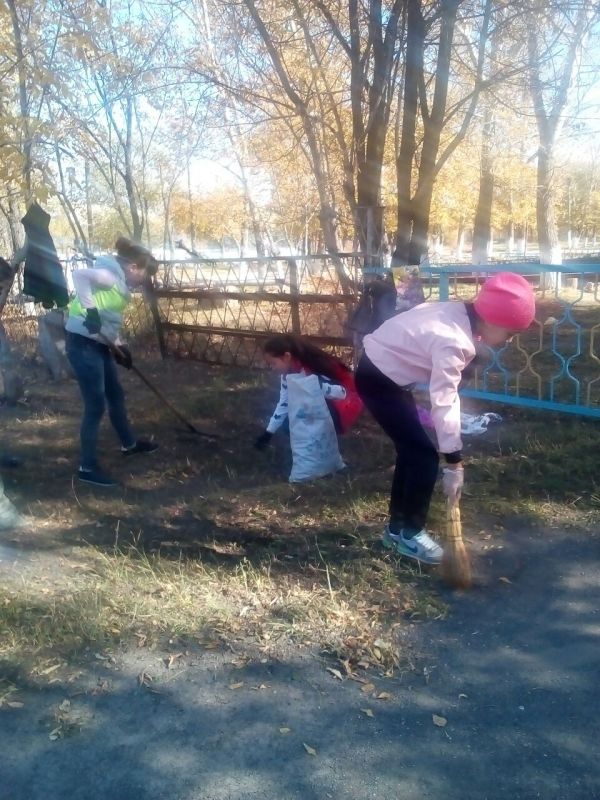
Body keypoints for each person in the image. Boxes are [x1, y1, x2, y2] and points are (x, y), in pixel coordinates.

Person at [355, 272, 536, 565]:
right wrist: (454, 462)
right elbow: (444, 401)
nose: (509, 341)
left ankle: (396, 531)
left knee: (412, 452)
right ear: (491, 321)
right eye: (510, 334)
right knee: (424, 457)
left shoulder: (456, 312)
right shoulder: (455, 341)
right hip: (379, 381)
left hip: (381, 372)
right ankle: (411, 534)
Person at [65, 237, 159, 487]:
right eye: (144, 275)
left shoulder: (118, 282)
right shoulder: (109, 276)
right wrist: (90, 312)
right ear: (134, 267)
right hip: (83, 345)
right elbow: (79, 275)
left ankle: (129, 444)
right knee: (95, 405)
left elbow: (107, 319)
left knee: (115, 395)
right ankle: (87, 468)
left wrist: (120, 346)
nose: (143, 281)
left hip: (98, 344)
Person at [254, 333, 362, 449]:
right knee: (288, 423)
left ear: (286, 357)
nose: (272, 368)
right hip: (327, 404)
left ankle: (322, 443)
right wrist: (269, 433)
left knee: (301, 415)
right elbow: (284, 403)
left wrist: (320, 387)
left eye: (273, 363)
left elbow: (342, 393)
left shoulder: (310, 370)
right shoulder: (288, 374)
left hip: (347, 403)